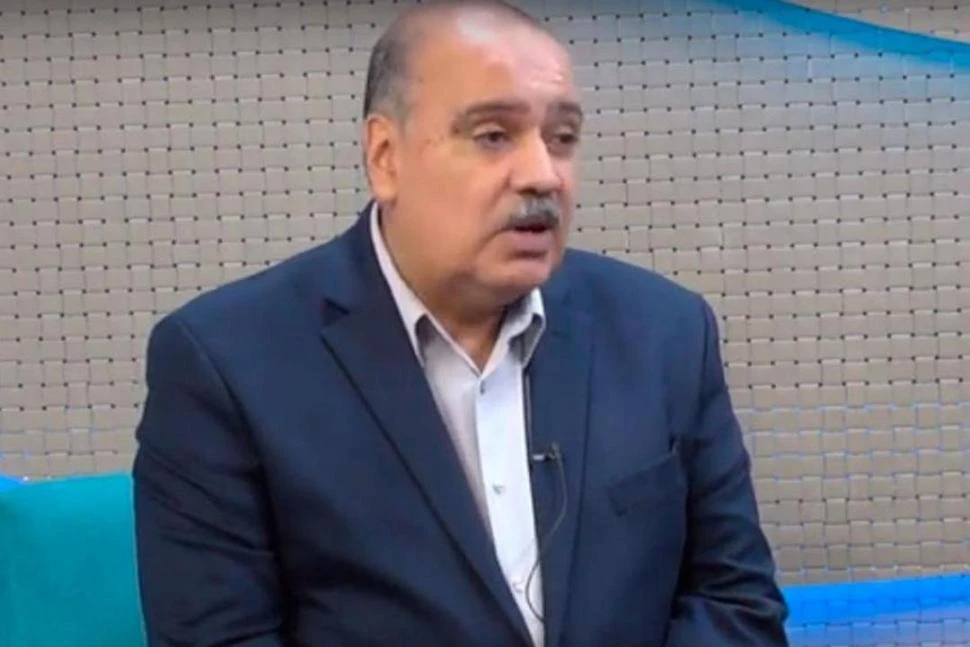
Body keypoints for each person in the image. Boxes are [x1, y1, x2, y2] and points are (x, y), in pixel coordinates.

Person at [131, 1, 790, 645]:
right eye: (493, 136)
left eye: (562, 138)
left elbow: (736, 605)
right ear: (385, 156)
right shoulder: (226, 364)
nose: (543, 175)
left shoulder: (665, 333)